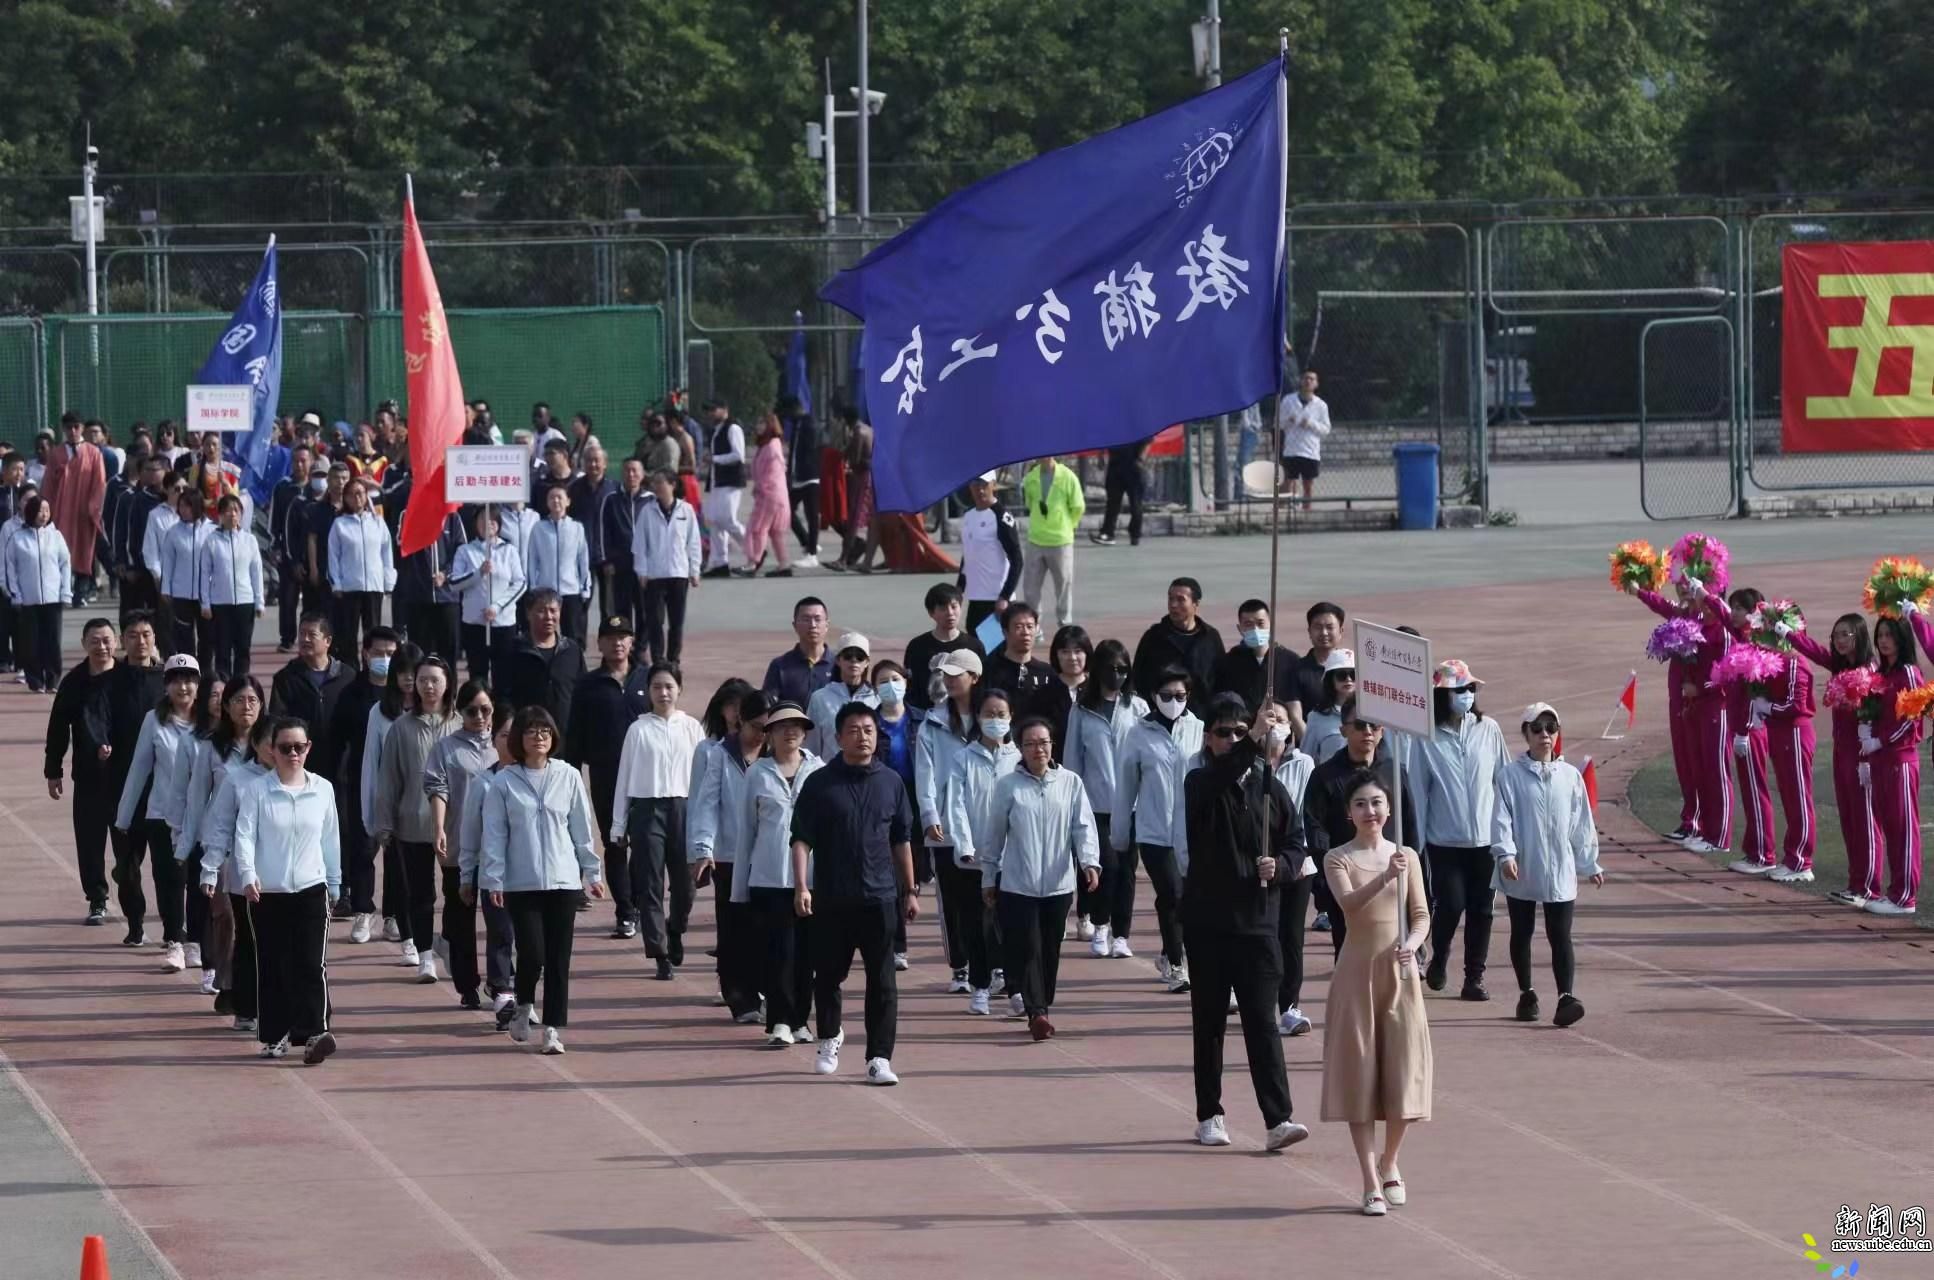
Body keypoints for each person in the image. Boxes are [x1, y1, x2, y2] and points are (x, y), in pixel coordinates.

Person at [1173, 693, 1308, 1150]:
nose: (1231, 739)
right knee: (1209, 1022)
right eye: (1223, 733)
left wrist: (1283, 867)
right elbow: (1220, 778)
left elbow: (1296, 842)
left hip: (1257, 924)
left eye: (1238, 731)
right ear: (1209, 739)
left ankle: (1278, 1119)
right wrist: (1252, 739)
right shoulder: (1199, 783)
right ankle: (1209, 1112)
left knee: (1261, 1022)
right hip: (1209, 923)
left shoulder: (1270, 785)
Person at [791, 702, 920, 1085]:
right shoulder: (819, 783)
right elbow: (801, 839)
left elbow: (901, 840)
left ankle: (879, 1057)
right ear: (838, 736)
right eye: (853, 730)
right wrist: (801, 886)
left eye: (868, 729)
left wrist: (910, 890)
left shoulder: (891, 782)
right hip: (832, 897)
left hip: (880, 898)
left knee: (883, 981)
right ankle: (830, 1037)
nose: (862, 736)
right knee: (828, 975)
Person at [1321, 770, 1432, 1214]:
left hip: (1399, 976)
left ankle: (1391, 1161)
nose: (1371, 811)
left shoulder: (1406, 855)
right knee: (1359, 1075)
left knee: (1405, 1071)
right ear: (1349, 813)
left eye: (1377, 803)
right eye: (1362, 804)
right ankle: (1369, 1181)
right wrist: (1386, 877)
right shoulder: (1338, 858)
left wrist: (1411, 945)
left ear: (1389, 809)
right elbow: (1348, 905)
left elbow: (1421, 915)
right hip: (1357, 975)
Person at [481, 705, 603, 1055]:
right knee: (532, 953)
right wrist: (494, 879)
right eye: (532, 731)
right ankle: (523, 1005)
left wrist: (591, 872)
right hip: (522, 883)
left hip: (563, 883)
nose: (539, 737)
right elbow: (495, 835)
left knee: (559, 958)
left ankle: (552, 1028)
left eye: (545, 731)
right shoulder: (503, 782)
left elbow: (581, 829)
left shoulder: (568, 776)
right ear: (519, 738)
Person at [226, 716, 342, 1065]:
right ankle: (275, 1034)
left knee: (312, 963)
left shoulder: (322, 789)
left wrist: (334, 882)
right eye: (285, 748)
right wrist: (247, 875)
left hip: (311, 889)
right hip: (268, 892)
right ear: (271, 751)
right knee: (272, 964)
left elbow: (330, 838)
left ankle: (316, 1032)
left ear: (309, 749)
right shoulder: (257, 792)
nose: (293, 754)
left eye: (299, 747)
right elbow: (244, 836)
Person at [978, 715, 1101, 1041]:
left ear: (1052, 745)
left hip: (1059, 884)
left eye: (1043, 742)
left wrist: (1089, 862)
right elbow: (993, 836)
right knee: (1029, 947)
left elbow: (1083, 826)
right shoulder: (1008, 786)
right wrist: (989, 878)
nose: (1038, 749)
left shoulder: (1070, 782)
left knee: (1050, 949)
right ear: (1020, 748)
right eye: (1030, 744)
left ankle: (1041, 1004)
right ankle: (1038, 1012)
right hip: (1019, 884)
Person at [1492, 701, 1602, 1026]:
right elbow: (1501, 819)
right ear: (1526, 734)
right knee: (1522, 931)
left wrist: (1590, 863)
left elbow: (1581, 823)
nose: (1544, 735)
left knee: (1560, 934)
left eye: (1550, 728)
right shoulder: (1509, 777)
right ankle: (1526, 994)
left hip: (1560, 870)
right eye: (1536, 729)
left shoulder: (1569, 777)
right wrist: (1505, 854)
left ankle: (1566, 997)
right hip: (1522, 867)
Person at [1410, 659, 1509, 1001]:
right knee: (1450, 905)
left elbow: (1503, 781)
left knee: (1483, 908)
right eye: (1459, 690)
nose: (1467, 695)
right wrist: (1417, 844)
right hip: (1443, 841)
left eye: (1470, 689)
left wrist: (1506, 836)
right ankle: (1440, 956)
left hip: (1485, 840)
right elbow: (1418, 790)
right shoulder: (1425, 737)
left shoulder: (1489, 729)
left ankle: (1474, 978)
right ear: (1442, 695)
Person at [727, 699, 821, 1045]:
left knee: (806, 954)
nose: (791, 732)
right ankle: (779, 1021)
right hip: (768, 878)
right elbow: (746, 833)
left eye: (797, 726)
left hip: (811, 879)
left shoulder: (819, 770)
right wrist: (740, 889)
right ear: (770, 734)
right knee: (777, 951)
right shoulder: (758, 774)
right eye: (782, 727)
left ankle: (801, 1020)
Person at [612, 661, 706, 978]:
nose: (663, 693)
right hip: (647, 810)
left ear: (679, 689)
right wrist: (618, 824)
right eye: (656, 687)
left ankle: (675, 927)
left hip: (684, 809)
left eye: (668, 686)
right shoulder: (637, 730)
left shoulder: (692, 728)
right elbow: (624, 778)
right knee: (650, 883)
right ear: (648, 692)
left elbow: (705, 779)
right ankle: (660, 952)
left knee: (685, 884)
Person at [1112, 667, 1203, 991]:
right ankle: (1178, 966)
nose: (1174, 702)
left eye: (1180, 696)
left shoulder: (1199, 730)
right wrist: (1120, 835)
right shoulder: (1139, 734)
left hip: (1192, 831)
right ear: (1153, 697)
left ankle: (1169, 950)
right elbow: (1125, 789)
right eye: (1167, 696)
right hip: (1153, 831)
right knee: (1172, 893)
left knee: (1188, 897)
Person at [1303, 701, 1413, 959]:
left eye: (1373, 726)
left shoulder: (1395, 772)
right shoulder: (1324, 776)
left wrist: (1412, 863)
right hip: (1348, 878)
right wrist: (1331, 871)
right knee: (1349, 949)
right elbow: (1315, 827)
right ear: (1343, 730)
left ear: (1382, 730)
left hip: (1391, 872)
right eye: (1360, 725)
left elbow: (1409, 823)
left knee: (1392, 948)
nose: (1367, 732)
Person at [113, 653, 202, 971]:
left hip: (203, 816)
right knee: (169, 879)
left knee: (199, 879)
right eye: (177, 680)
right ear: (166, 686)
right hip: (162, 814)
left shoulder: (211, 721)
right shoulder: (154, 720)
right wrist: (124, 817)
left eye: (190, 679)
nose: (184, 686)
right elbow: (139, 769)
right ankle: (175, 940)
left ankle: (196, 941)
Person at [374, 655, 459, 984]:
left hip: (455, 827)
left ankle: (448, 943)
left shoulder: (459, 724)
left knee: (456, 894)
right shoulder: (401, 728)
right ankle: (425, 955)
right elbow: (389, 780)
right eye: (423, 679)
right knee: (421, 895)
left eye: (435, 680)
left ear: (447, 683)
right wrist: (385, 823)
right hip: (413, 824)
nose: (428, 686)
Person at [563, 617, 648, 938]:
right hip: (606, 776)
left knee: (644, 844)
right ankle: (625, 911)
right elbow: (575, 734)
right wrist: (571, 775)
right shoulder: (588, 685)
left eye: (623, 636)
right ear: (599, 644)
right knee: (615, 844)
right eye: (610, 637)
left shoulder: (647, 678)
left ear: (632, 641)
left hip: (646, 777)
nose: (617, 643)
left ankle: (641, 903)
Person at [179, 676, 264, 997]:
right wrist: (188, 843)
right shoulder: (211, 748)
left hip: (262, 843)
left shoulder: (270, 746)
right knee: (224, 913)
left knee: (255, 918)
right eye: (239, 700)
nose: (246, 707)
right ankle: (215, 969)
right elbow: (197, 798)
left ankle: (244, 981)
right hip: (222, 843)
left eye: (253, 700)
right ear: (226, 706)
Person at [1063, 638, 1147, 960]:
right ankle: (1100, 925)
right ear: (1098, 670)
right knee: (1105, 866)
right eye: (1111, 669)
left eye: (1123, 669)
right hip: (1095, 804)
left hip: (1131, 804)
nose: (1117, 675)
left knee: (1126, 871)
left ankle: (1121, 935)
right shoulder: (1082, 711)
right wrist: (1073, 801)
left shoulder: (1137, 708)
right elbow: (1073, 759)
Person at [688, 685, 767, 1022]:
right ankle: (740, 997)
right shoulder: (720, 755)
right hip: (729, 856)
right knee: (734, 927)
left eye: (768, 728)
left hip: (770, 857)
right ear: (741, 723)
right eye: (756, 727)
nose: (762, 735)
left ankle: (765, 989)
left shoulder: (778, 757)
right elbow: (705, 804)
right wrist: (703, 849)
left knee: (766, 926)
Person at [1788, 612, 1877, 904]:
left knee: (1865, 821)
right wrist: (1788, 632)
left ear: (1860, 636)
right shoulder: (1840, 667)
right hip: (1842, 753)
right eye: (1836, 635)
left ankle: (1869, 888)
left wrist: (1866, 760)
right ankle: (1855, 884)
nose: (1839, 640)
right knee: (1849, 819)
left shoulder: (1871, 671)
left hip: (1863, 757)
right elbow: (1814, 650)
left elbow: (1877, 718)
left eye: (1846, 634)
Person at [940, 688, 1018, 1016]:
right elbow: (955, 806)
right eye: (989, 714)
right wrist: (965, 845)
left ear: (1011, 717)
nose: (995, 720)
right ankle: (981, 986)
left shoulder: (1018, 759)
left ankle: (1015, 987)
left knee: (1009, 925)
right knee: (974, 925)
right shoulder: (963, 759)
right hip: (972, 860)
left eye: (1001, 714)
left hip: (1010, 860)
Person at [198, 716, 276, 1031]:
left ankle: (277, 1006)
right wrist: (209, 870)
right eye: (271, 743)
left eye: (285, 745)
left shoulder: (300, 781)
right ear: (255, 743)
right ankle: (246, 1007)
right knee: (248, 941)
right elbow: (220, 828)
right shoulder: (238, 780)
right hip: (243, 879)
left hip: (284, 879)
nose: (278, 751)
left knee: (279, 945)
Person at [423, 680, 496, 1009]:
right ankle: (467, 986)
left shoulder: (503, 745)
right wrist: (439, 827)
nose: (479, 716)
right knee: (461, 916)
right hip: (459, 845)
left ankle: (500, 982)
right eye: (472, 711)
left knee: (499, 919)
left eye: (485, 709)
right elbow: (438, 789)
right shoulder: (446, 748)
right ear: (459, 712)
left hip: (498, 849)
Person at [44, 617, 123, 924]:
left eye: (106, 640)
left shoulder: (128, 677)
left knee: (128, 843)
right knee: (89, 842)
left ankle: (127, 889)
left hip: (125, 776)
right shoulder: (74, 682)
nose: (101, 647)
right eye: (94, 641)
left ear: (115, 642)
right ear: (84, 644)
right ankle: (97, 898)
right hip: (88, 776)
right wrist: (54, 769)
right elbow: (58, 728)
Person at [915, 648, 983, 992]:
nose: (951, 679)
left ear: (975, 676)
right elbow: (924, 773)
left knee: (986, 897)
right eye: (947, 673)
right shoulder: (933, 722)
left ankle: (993, 964)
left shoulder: (992, 718)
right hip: (946, 825)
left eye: (958, 673)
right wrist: (929, 815)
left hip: (984, 823)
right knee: (953, 901)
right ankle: (960, 966)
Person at [457, 705, 521, 1027]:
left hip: (530, 875)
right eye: (504, 736)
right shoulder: (483, 783)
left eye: (515, 736)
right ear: (493, 740)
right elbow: (470, 834)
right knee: (500, 933)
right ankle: (503, 993)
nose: (510, 742)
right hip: (493, 874)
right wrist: (468, 875)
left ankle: (522, 994)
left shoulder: (536, 779)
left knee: (528, 937)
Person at [1257, 699, 1318, 1034]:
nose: (1275, 724)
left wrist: (1299, 855)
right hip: (1259, 866)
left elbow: (1308, 815)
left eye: (1281, 719)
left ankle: (1290, 1006)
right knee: (1262, 935)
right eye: (1269, 718)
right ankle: (1255, 995)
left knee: (1291, 938)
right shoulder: (1249, 765)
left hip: (1297, 864)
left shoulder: (1304, 763)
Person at [357, 638, 420, 954]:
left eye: (414, 672)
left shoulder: (437, 713)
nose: (409, 679)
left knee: (423, 882)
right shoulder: (379, 713)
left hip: (429, 807)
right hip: (394, 807)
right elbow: (371, 763)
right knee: (398, 871)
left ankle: (411, 928)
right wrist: (371, 814)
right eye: (403, 672)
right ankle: (410, 940)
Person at [1861, 615, 1922, 915]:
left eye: (1890, 635)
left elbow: (1912, 720)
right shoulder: (1882, 675)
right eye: (1881, 635)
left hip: (1899, 760)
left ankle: (1905, 896)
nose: (1884, 640)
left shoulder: (1908, 673)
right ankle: (1895, 891)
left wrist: (1881, 741)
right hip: (1881, 760)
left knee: (1903, 827)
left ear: (1902, 638)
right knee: (1889, 824)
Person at [630, 467, 702, 666]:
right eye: (655, 483)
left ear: (673, 485)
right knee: (655, 620)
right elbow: (640, 544)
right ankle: (658, 659)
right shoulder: (647, 511)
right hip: (655, 575)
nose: (657, 486)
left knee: (676, 622)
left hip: (678, 573)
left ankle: (673, 659)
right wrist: (642, 571)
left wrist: (694, 570)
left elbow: (693, 542)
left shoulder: (686, 511)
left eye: (661, 482)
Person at [450, 507, 526, 692]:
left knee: (504, 676)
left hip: (503, 623)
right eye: (482, 520)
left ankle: (503, 716)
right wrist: (478, 573)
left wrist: (498, 607)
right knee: (477, 676)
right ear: (476, 524)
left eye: (492, 520)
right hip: (475, 623)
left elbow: (520, 583)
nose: (487, 524)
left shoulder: (509, 550)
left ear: (498, 524)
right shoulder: (465, 550)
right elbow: (454, 583)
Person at [1132, 578, 1226, 719]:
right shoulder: (1154, 637)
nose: (1173, 605)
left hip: (1201, 720)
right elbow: (1138, 679)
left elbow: (1221, 681)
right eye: (1170, 599)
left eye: (1181, 600)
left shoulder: (1210, 638)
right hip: (1159, 719)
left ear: (1196, 604)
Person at [501, 590, 585, 743]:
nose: (548, 617)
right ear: (528, 614)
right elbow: (502, 694)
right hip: (529, 738)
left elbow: (583, 693)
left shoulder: (571, 650)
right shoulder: (514, 650)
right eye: (541, 610)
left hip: (567, 739)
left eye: (553, 611)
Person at [7, 495, 72, 692]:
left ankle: (52, 679)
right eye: (39, 510)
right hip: (28, 599)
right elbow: (10, 567)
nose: (43, 515)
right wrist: (15, 594)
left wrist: (65, 592)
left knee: (52, 641)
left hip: (52, 598)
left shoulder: (56, 536)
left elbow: (65, 564)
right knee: (31, 643)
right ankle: (35, 680)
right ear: (30, 512)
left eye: (46, 510)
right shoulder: (17, 537)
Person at [197, 494, 264, 681]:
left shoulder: (249, 540)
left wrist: (260, 602)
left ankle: (242, 683)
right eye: (227, 510)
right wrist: (205, 603)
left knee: (243, 648)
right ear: (220, 514)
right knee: (222, 649)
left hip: (245, 602)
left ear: (241, 514)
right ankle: (223, 685)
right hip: (220, 603)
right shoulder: (212, 541)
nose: (232, 514)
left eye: (236, 510)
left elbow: (256, 572)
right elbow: (204, 573)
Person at [326, 479, 394, 656]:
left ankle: (373, 671)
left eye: (360, 493)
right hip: (349, 587)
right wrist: (337, 584)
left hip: (373, 586)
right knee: (348, 634)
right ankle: (349, 671)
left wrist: (388, 581)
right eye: (352, 494)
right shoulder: (340, 524)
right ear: (345, 498)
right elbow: (333, 556)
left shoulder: (378, 522)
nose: (357, 498)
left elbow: (387, 553)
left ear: (366, 496)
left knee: (373, 634)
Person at [394, 507, 465, 665]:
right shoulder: (407, 513)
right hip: (418, 597)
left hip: (447, 597)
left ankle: (449, 690)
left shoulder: (452, 516)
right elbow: (401, 544)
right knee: (419, 655)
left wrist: (446, 574)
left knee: (448, 654)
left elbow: (461, 551)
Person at [525, 483, 593, 645]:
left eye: (559, 497)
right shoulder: (538, 528)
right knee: (544, 633)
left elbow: (583, 559)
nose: (556, 501)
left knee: (572, 635)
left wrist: (585, 587)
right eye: (551, 498)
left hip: (571, 590)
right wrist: (533, 587)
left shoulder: (577, 528)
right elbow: (533, 559)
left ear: (568, 501)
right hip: (546, 589)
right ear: (547, 502)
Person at [1019, 454, 1082, 627]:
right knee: (1030, 588)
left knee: (1063, 586)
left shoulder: (1068, 477)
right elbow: (1030, 504)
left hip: (1060, 540)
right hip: (1036, 539)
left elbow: (1077, 506)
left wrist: (1068, 525)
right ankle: (1034, 626)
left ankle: (1064, 623)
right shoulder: (1031, 478)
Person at [1211, 598, 1302, 718]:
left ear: (1271, 624)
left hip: (1279, 729)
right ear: (1240, 628)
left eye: (1260, 623)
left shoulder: (1290, 661)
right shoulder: (1228, 662)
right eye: (1248, 624)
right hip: (1243, 730)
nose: (1255, 629)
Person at [903, 583, 984, 716]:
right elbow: (911, 685)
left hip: (965, 715)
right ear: (931, 613)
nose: (950, 613)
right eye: (943, 608)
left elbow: (981, 685)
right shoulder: (917, 646)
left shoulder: (974, 646)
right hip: (925, 715)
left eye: (954, 606)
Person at [956, 471, 1022, 633]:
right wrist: (959, 590)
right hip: (976, 597)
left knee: (993, 652)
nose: (979, 490)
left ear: (993, 485)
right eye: (975, 485)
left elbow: (1017, 559)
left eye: (984, 485)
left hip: (996, 599)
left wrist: (1005, 596)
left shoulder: (1001, 516)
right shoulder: (969, 516)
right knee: (975, 648)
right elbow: (969, 554)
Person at [737, 412, 795, 579]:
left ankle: (753, 562)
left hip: (769, 494)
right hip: (772, 494)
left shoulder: (771, 447)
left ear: (770, 425)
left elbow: (773, 474)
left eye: (762, 423)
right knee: (774, 532)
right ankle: (784, 564)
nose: (758, 427)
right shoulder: (769, 444)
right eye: (758, 423)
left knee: (757, 529)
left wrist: (760, 487)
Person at [158, 488, 214, 660]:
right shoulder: (173, 532)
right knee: (183, 635)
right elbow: (167, 563)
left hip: (207, 595)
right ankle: (187, 668)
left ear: (196, 507)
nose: (182, 510)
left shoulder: (212, 530)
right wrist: (166, 589)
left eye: (187, 506)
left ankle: (205, 671)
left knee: (207, 636)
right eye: (180, 506)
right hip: (181, 593)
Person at [269, 447, 316, 651]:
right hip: (288, 556)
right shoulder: (282, 488)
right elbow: (275, 521)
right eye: (296, 461)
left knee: (312, 602)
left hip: (314, 558)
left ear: (311, 462)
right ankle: (287, 638)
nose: (299, 465)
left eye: (303, 461)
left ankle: (310, 639)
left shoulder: (317, 489)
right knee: (287, 600)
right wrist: (277, 547)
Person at [807, 633, 878, 760]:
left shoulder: (877, 698)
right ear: (838, 660)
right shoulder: (820, 698)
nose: (854, 661)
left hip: (869, 773)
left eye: (860, 657)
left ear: (867, 662)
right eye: (848, 656)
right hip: (831, 775)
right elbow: (812, 746)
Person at [982, 603, 1054, 725]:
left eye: (1030, 626)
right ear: (1005, 632)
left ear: (1037, 629)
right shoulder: (988, 670)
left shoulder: (1047, 673)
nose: (1025, 632)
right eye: (1018, 627)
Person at [700, 400, 749, 579]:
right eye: (708, 410)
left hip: (730, 480)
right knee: (714, 521)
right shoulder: (717, 430)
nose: (711, 413)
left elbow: (739, 455)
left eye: (714, 409)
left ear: (725, 409)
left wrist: (715, 459)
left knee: (728, 519)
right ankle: (720, 563)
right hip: (717, 481)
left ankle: (754, 550)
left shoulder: (733, 428)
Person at [601, 458, 649, 636]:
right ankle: (625, 645)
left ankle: (642, 647)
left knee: (644, 609)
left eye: (635, 471)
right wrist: (607, 560)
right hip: (621, 564)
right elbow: (604, 532)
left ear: (642, 475)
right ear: (621, 474)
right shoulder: (612, 500)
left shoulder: (650, 501)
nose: (631, 475)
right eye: (627, 470)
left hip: (645, 566)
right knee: (622, 609)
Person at [1291, 602, 1347, 744]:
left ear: (1341, 631)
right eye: (1318, 627)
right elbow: (1295, 715)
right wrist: (1314, 746)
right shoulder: (1296, 670)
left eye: (1330, 627)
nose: (1324, 633)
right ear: (1309, 631)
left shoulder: (1352, 670)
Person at [762, 596, 834, 706]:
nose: (813, 625)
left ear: (827, 625)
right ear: (795, 625)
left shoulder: (839, 664)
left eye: (817, 619)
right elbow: (768, 706)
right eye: (806, 619)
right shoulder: (780, 666)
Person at [1277, 368, 1331, 511]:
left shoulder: (1321, 405)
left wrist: (1311, 424)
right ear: (1301, 381)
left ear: (1316, 384)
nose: (1308, 381)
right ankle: (1282, 511)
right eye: (1306, 378)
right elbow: (1279, 423)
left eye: (1312, 379)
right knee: (1288, 481)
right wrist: (1289, 420)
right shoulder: (1288, 400)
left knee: (1308, 484)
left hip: (1310, 451)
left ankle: (1307, 511)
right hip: (1292, 450)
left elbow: (1326, 429)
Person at [302, 464, 349, 626]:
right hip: (324, 567)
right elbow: (312, 539)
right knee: (323, 614)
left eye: (344, 478)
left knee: (345, 617)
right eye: (336, 478)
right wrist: (313, 568)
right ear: (328, 480)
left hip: (347, 571)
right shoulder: (316, 509)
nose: (340, 482)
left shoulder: (352, 509)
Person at [1302, 649, 1358, 766]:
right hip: (1329, 782)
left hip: (1364, 782)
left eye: (1353, 675)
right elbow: (1305, 759)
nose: (1348, 680)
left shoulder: (1370, 714)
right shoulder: (1316, 717)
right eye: (1341, 675)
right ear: (1330, 679)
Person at [1091, 439, 1147, 548]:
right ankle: (1108, 533)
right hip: (1115, 466)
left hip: (1133, 466)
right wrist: (1101, 455)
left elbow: (1148, 440)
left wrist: (1141, 458)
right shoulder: (1114, 423)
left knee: (1135, 504)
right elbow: (1106, 437)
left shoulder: (1137, 423)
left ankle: (1135, 535)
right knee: (1112, 502)